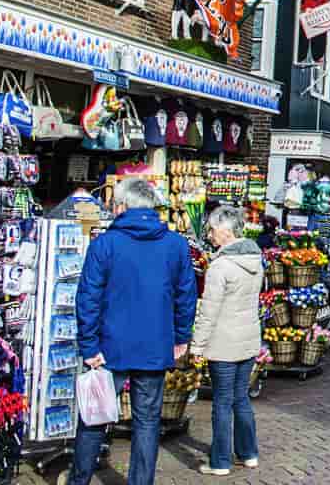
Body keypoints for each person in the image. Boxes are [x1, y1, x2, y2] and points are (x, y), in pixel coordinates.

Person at [71, 178, 197, 485]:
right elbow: (186, 295)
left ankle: (79, 480)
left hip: (109, 347)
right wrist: (181, 336)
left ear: (122, 206)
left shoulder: (105, 243)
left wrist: (89, 345)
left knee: (94, 417)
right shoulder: (176, 245)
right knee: (147, 421)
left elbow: (88, 297)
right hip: (154, 345)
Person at [191, 207, 264, 476]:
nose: (209, 235)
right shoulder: (256, 260)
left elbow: (209, 311)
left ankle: (220, 461)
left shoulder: (221, 266)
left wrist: (197, 346)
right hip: (247, 338)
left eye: (211, 229)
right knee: (241, 398)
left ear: (224, 231)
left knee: (222, 402)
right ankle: (248, 452)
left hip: (223, 342)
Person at [297, 0, 330, 66]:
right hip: (306, 22)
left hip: (318, 24)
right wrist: (305, 10)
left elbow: (327, 10)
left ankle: (318, 56)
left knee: (319, 38)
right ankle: (300, 57)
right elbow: (299, 6)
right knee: (302, 39)